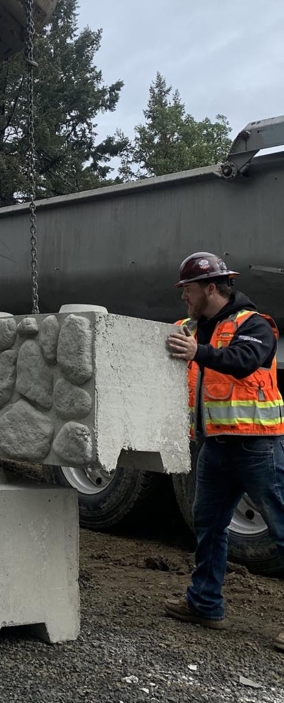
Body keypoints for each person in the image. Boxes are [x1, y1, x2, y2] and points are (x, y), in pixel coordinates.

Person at [164, 251, 284, 649]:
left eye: (188, 289)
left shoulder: (254, 325)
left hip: (257, 445)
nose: (183, 296)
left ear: (210, 288)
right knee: (209, 526)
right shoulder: (189, 327)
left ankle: (204, 602)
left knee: (282, 528)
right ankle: (204, 604)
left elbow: (246, 361)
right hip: (215, 446)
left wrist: (199, 352)